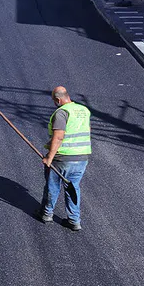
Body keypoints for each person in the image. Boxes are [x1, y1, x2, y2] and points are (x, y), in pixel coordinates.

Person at [40, 86, 91, 231]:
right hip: (81, 158)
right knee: (73, 187)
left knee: (53, 186)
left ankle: (47, 214)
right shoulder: (83, 110)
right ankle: (74, 220)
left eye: (54, 101)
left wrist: (49, 158)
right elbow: (83, 131)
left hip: (63, 158)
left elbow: (59, 136)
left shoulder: (62, 113)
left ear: (58, 99)